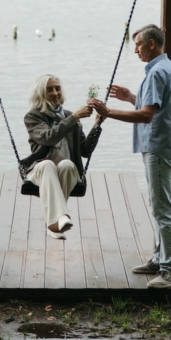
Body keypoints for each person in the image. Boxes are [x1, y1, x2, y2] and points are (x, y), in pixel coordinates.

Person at [88, 23, 171, 290]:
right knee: (159, 205)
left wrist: (108, 113)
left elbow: (146, 115)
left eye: (138, 45)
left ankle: (169, 271)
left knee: (163, 208)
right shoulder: (170, 68)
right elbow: (155, 107)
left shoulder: (156, 73)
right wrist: (132, 96)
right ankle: (159, 259)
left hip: (158, 148)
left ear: (151, 44)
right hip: (165, 146)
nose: (136, 51)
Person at [21, 74, 101, 240]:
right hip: (40, 171)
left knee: (66, 164)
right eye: (49, 89)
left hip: (66, 172)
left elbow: (85, 151)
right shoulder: (33, 117)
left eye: (57, 88)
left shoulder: (70, 117)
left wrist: (97, 125)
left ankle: (56, 223)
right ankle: (60, 219)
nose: (55, 93)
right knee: (48, 165)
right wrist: (74, 118)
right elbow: (49, 137)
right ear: (40, 94)